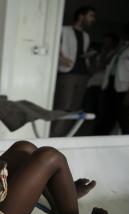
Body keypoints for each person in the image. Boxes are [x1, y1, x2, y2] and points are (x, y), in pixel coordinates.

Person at [50, 6, 96, 137]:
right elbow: (53, 44)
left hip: (83, 74)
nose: (93, 19)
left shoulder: (86, 35)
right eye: (91, 15)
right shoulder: (64, 30)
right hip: (67, 73)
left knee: (76, 107)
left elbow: (79, 52)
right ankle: (54, 136)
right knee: (64, 106)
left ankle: (66, 136)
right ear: (81, 16)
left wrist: (88, 55)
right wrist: (61, 57)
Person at [96, 18, 129, 135]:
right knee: (108, 116)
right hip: (116, 86)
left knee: (124, 118)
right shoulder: (127, 45)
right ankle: (100, 140)